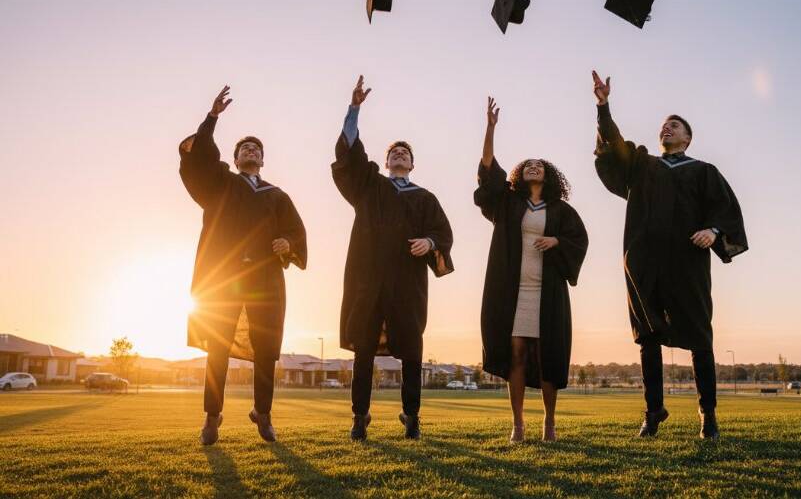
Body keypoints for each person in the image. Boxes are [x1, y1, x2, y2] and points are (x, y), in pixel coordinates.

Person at [591, 70, 748, 440]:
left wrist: (713, 231)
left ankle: (707, 415)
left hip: (687, 260)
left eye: (674, 126)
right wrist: (603, 106)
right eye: (663, 125)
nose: (666, 129)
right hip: (644, 260)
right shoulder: (643, 165)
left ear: (687, 137)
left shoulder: (704, 171)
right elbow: (612, 147)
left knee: (699, 337)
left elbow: (726, 210)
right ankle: (653, 411)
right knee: (646, 335)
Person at [179, 85, 307, 445]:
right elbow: (198, 162)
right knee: (217, 346)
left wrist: (289, 244)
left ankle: (263, 414)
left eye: (256, 149)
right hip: (224, 276)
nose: (251, 151)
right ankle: (212, 416)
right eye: (244, 149)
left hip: (265, 277)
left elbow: (296, 232)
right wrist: (212, 118)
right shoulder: (221, 184)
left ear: (263, 160)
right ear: (235, 159)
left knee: (266, 348)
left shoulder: (277, 196)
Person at [332, 75, 454, 441]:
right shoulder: (371, 187)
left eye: (405, 153)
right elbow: (351, 155)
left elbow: (444, 234)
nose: (399, 155)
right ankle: (359, 417)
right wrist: (354, 109)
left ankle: (412, 416)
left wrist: (430, 243)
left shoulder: (425, 198)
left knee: (412, 352)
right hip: (368, 280)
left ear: (413, 165)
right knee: (364, 351)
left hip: (406, 284)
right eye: (393, 153)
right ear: (385, 162)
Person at [474, 97, 588, 442]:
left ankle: (549, 423)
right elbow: (488, 172)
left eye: (539, 165)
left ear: (548, 175)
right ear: (520, 174)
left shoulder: (561, 209)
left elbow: (579, 240)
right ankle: (518, 425)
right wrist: (490, 129)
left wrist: (556, 242)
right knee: (517, 354)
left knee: (548, 355)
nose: (533, 167)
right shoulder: (508, 203)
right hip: (513, 291)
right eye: (528, 165)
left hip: (548, 292)